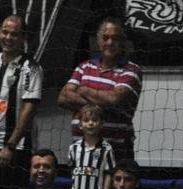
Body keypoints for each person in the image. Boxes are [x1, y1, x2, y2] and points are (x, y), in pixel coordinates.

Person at [58, 17, 141, 163]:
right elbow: (63, 98)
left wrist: (83, 90)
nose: (110, 42)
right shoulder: (84, 67)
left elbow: (114, 99)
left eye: (115, 38)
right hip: (82, 153)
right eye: (105, 37)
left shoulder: (131, 70)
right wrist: (101, 103)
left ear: (123, 41)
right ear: (98, 40)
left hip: (117, 153)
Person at [0, 14, 43, 189]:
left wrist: (10, 146)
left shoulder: (31, 68)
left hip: (17, 148)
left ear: (24, 38)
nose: (8, 38)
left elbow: (29, 109)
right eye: (5, 32)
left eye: (14, 34)